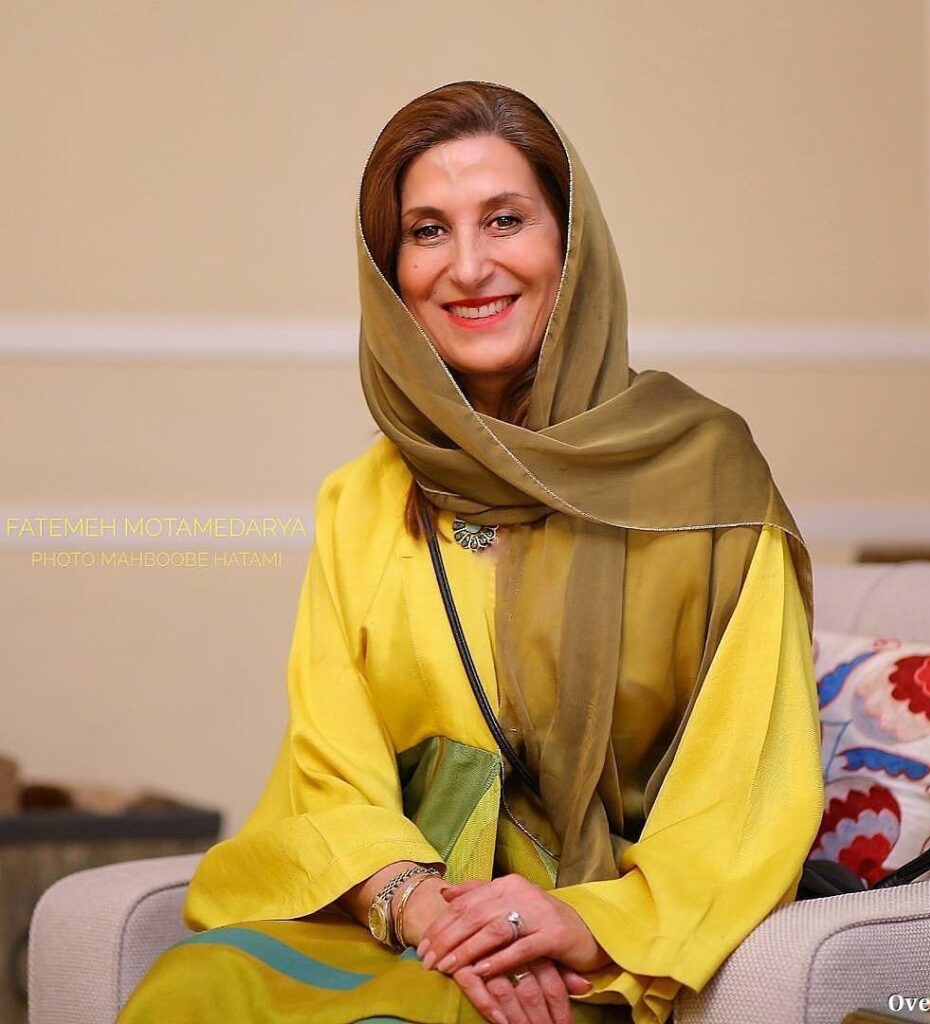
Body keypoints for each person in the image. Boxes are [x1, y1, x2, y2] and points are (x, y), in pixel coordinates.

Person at [116, 80, 825, 1024]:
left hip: (603, 945)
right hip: (414, 926)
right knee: (198, 986)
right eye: (427, 231)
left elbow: (750, 784)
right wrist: (419, 905)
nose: (468, 266)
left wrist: (580, 923)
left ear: (571, 243)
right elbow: (331, 771)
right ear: (391, 271)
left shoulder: (705, 483)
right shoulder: (363, 500)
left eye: (504, 219)